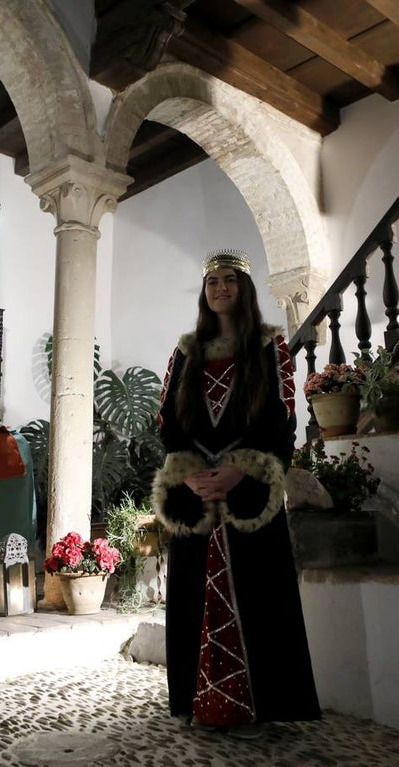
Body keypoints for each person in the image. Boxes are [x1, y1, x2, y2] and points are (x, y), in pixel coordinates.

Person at [152, 247, 321, 736]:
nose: (221, 288)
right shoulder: (186, 352)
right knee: (192, 598)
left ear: (244, 289)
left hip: (249, 492)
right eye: (212, 282)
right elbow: (169, 424)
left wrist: (241, 470)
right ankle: (199, 701)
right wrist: (187, 474)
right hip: (195, 491)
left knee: (259, 597)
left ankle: (259, 705)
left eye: (229, 280)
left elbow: (282, 422)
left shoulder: (271, 347)